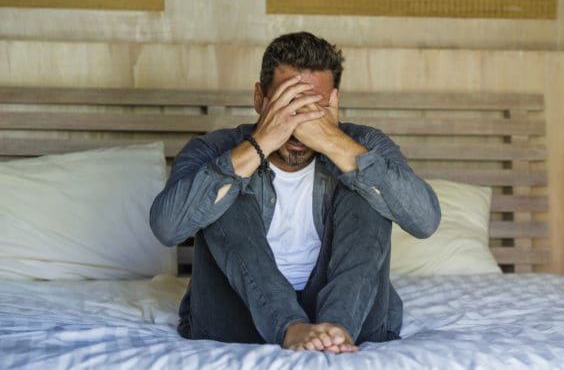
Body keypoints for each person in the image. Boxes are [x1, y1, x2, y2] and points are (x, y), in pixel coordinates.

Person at [150, 31, 440, 353]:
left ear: (334, 102)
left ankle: (335, 330)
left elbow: (425, 221)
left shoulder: (364, 144)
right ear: (260, 99)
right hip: (238, 317)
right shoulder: (213, 148)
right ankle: (291, 328)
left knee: (364, 184)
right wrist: (259, 145)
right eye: (289, 104)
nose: (300, 123)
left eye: (313, 107)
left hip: (356, 318)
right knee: (226, 186)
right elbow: (167, 228)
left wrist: (333, 143)